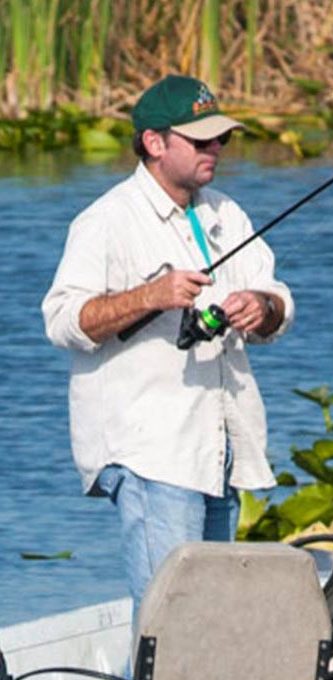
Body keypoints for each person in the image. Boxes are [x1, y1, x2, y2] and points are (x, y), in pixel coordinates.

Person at [42, 75, 294, 620]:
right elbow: (63, 320)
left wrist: (262, 306)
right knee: (172, 617)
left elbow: (278, 299)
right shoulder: (106, 221)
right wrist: (152, 296)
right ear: (155, 142)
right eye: (201, 141)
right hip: (151, 449)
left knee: (210, 614)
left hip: (220, 447)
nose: (216, 151)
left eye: (221, 139)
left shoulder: (227, 214)